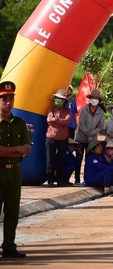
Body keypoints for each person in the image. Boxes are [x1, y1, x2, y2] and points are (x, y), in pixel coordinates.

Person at [0, 81, 31, 258]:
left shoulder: (20, 123)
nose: (8, 102)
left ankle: (9, 246)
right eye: (4, 99)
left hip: (14, 172)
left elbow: (26, 148)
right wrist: (16, 149)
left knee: (12, 211)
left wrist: (10, 150)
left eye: (11, 99)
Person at [74, 89, 105, 186]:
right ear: (90, 99)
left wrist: (91, 133)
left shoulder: (100, 112)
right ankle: (77, 179)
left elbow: (101, 126)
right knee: (78, 159)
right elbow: (81, 123)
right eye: (93, 98)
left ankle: (88, 179)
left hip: (92, 140)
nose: (94, 100)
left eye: (96, 98)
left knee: (89, 160)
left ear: (99, 100)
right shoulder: (84, 109)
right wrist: (86, 132)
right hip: (80, 138)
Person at [46, 88, 72, 187]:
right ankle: (50, 180)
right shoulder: (51, 109)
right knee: (50, 159)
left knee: (61, 159)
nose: (58, 100)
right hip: (51, 137)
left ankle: (60, 180)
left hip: (63, 138)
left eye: (60, 99)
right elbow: (49, 120)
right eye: (57, 98)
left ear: (64, 100)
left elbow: (67, 121)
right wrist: (60, 121)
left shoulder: (68, 110)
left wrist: (55, 119)